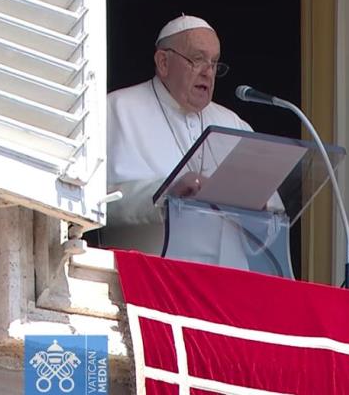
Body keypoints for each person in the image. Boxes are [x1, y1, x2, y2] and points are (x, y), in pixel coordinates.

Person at [102, 15, 288, 274]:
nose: (208, 72)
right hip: (150, 279)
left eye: (214, 63)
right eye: (197, 60)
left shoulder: (234, 124)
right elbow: (94, 205)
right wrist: (166, 194)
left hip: (229, 285)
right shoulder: (116, 110)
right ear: (163, 62)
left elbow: (275, 221)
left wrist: (259, 211)